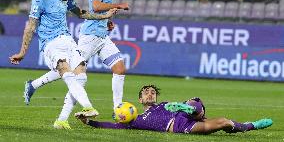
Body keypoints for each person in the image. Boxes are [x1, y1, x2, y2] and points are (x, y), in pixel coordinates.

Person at [23, 0, 129, 129]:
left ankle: (118, 109)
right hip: (90, 36)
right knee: (74, 74)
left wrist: (106, 21)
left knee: (119, 68)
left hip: (102, 35)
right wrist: (117, 6)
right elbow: (95, 5)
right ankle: (60, 116)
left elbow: (95, 11)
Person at [76, 85, 273, 134]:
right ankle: (250, 126)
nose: (150, 94)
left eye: (153, 92)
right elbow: (112, 126)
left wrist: (186, 109)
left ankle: (192, 108)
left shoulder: (164, 104)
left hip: (182, 112)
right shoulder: (134, 119)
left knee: (194, 102)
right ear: (139, 99)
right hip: (178, 124)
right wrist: (89, 122)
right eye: (146, 92)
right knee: (224, 122)